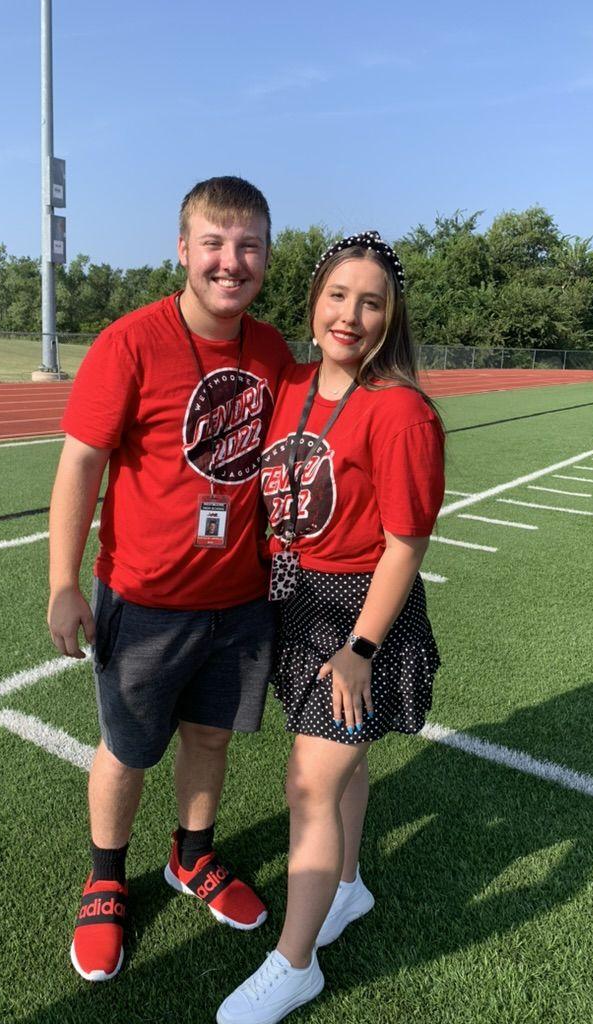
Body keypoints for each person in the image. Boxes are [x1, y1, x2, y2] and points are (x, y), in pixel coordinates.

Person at [47, 176, 294, 982]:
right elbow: (81, 463)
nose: (231, 262)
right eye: (214, 243)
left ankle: (192, 855)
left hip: (240, 599)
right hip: (146, 597)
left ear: (266, 256)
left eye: (248, 245)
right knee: (127, 749)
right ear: (183, 249)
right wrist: (63, 581)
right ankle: (106, 878)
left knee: (211, 737)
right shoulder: (130, 342)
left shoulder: (271, 350)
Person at [217, 232, 445, 1024]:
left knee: (310, 782)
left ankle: (295, 963)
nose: (351, 315)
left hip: (360, 616)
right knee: (344, 765)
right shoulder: (290, 384)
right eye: (338, 296)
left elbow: (406, 543)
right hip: (296, 602)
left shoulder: (402, 410)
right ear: (313, 303)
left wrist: (360, 649)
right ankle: (347, 886)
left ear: (392, 317)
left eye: (371, 302)